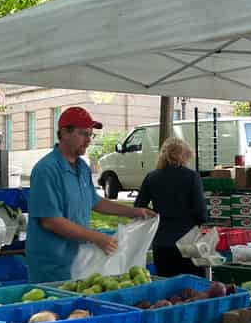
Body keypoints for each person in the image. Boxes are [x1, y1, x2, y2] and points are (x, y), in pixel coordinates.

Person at [26, 106, 156, 283]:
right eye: (83, 134)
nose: (88, 140)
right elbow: (51, 221)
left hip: (79, 259)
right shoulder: (46, 170)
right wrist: (95, 237)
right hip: (52, 265)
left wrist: (135, 212)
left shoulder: (82, 167)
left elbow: (94, 202)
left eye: (90, 134)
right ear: (64, 133)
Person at [134, 137, 207, 277]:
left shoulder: (152, 177)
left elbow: (138, 207)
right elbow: (201, 213)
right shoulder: (192, 177)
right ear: (185, 156)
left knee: (166, 289)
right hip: (188, 241)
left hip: (161, 241)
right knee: (193, 290)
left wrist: (155, 215)